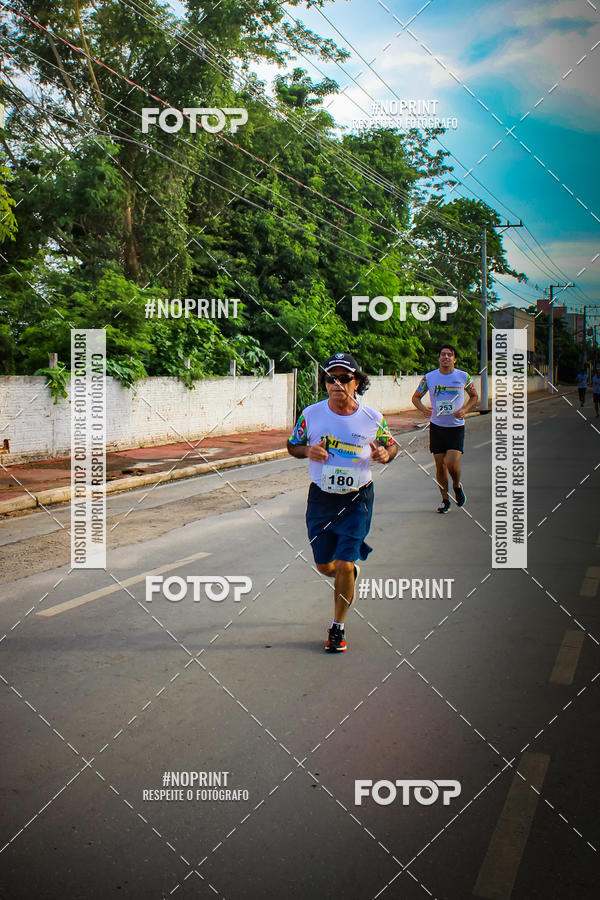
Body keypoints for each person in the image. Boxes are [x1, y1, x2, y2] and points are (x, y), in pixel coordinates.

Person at [287, 352, 397, 652]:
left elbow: (390, 444)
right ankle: (347, 573)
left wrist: (385, 454)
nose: (337, 383)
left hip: (357, 498)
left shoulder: (372, 417)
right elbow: (292, 445)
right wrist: (308, 451)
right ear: (325, 384)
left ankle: (337, 627)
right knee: (325, 566)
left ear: (357, 382)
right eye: (330, 378)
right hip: (321, 498)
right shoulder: (311, 414)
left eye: (344, 378)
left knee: (345, 563)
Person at [411, 344, 479, 513]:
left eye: (449, 355)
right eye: (443, 354)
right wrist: (423, 409)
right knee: (440, 466)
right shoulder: (429, 378)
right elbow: (416, 397)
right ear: (439, 358)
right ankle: (445, 500)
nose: (446, 357)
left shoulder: (463, 377)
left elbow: (474, 396)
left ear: (454, 359)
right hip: (437, 427)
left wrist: (464, 410)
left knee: (451, 462)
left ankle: (456, 485)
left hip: (455, 427)